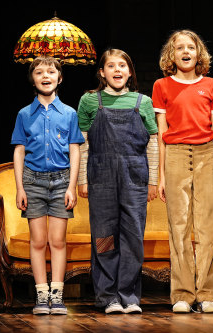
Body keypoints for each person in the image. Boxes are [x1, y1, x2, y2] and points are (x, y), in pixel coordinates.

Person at [77, 49, 159, 314]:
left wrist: (153, 181)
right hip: (101, 177)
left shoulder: (142, 101)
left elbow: (153, 144)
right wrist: (81, 178)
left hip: (135, 177)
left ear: (130, 72)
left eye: (122, 65)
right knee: (104, 237)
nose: (117, 70)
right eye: (110, 65)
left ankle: (129, 296)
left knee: (133, 237)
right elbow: (83, 143)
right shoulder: (91, 101)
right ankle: (108, 296)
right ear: (102, 72)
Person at [152, 29, 213, 314]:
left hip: (206, 153)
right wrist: (161, 176)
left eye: (190, 47)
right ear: (172, 55)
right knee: (179, 227)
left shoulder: (211, 85)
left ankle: (208, 293)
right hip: (176, 154)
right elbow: (161, 133)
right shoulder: (162, 85)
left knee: (207, 227)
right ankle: (182, 293)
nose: (185, 52)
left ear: (198, 53)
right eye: (179, 48)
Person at [11, 56, 84, 315]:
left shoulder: (69, 113)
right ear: (33, 79)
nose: (45, 76)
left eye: (51, 72)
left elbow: (75, 150)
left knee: (57, 240)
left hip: (61, 180)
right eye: (39, 72)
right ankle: (42, 295)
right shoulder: (24, 114)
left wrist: (71, 186)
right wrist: (20, 187)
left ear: (59, 78)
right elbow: (19, 151)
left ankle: (57, 295)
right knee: (38, 240)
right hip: (33, 181)